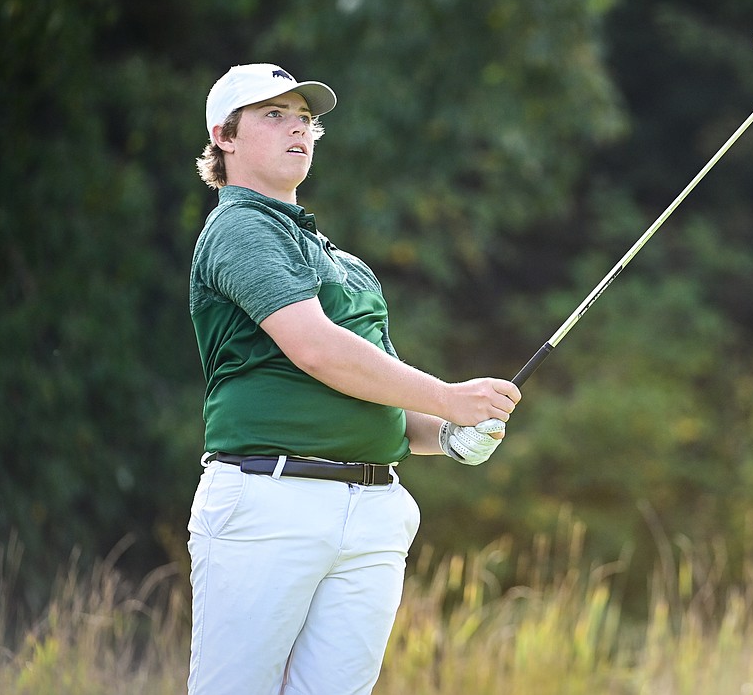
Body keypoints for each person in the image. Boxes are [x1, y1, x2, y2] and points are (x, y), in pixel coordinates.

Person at [186, 63, 521, 695]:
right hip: (269, 502)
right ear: (224, 137)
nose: (299, 130)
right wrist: (451, 396)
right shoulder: (239, 229)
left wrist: (449, 432)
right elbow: (317, 350)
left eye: (307, 119)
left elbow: (387, 398)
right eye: (274, 115)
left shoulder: (345, 263)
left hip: (372, 511)